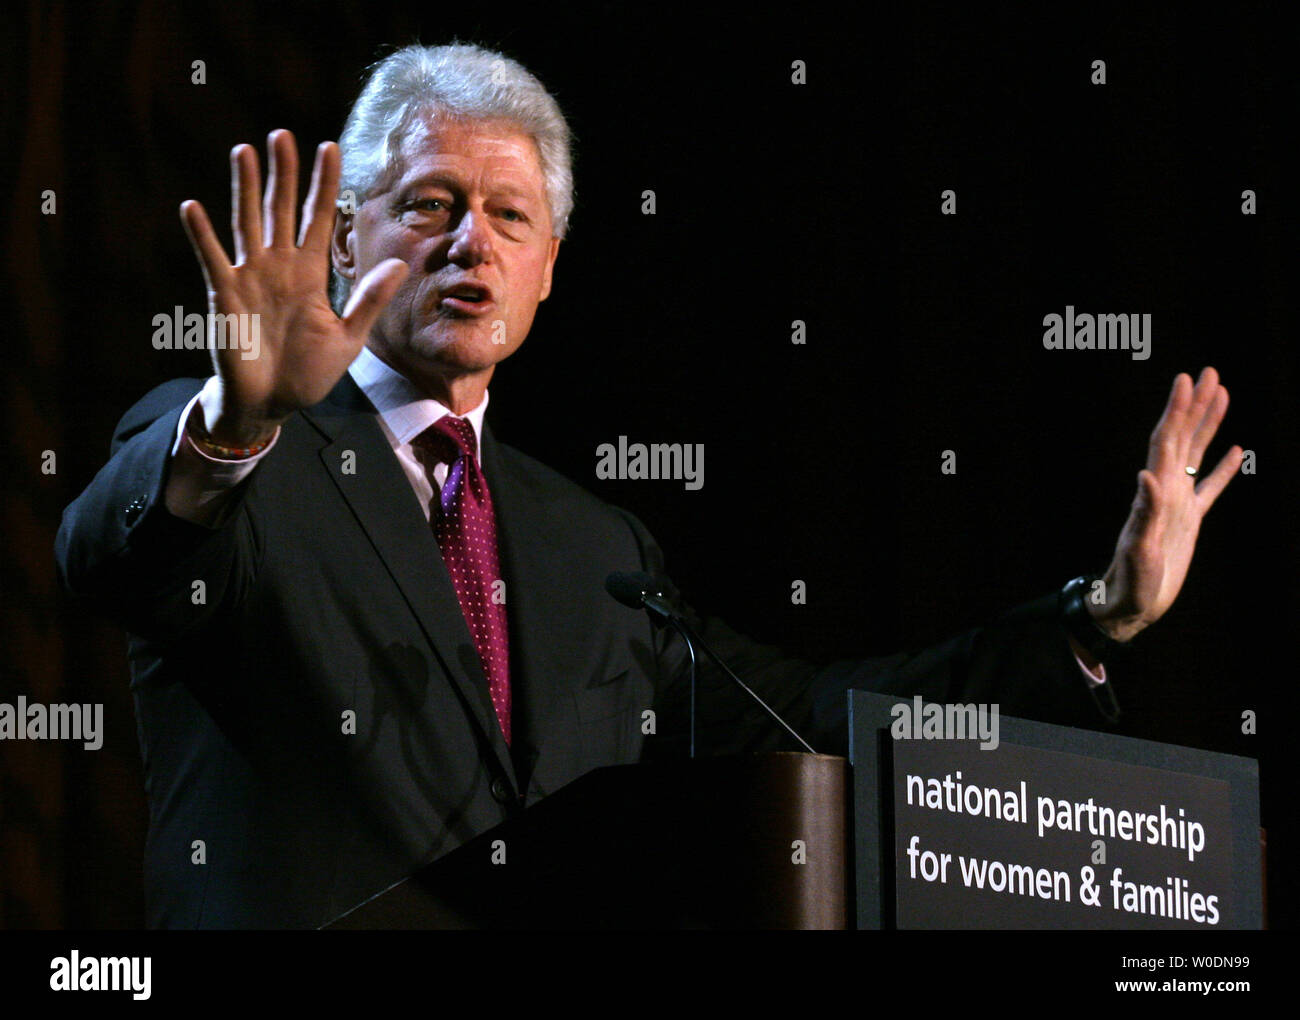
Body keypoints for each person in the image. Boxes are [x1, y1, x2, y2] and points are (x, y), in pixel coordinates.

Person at [55, 43, 1242, 929]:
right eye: (431, 204)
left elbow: (817, 718)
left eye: (509, 216)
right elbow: (116, 556)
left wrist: (1094, 619)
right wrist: (236, 422)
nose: (473, 241)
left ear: (549, 271)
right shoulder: (240, 451)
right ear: (349, 241)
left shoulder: (594, 546)